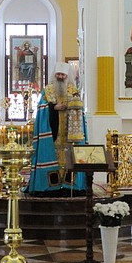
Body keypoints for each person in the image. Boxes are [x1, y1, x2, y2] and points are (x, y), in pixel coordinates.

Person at [26, 64, 88, 196]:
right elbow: (40, 108)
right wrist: (53, 107)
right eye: (58, 74)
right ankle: (50, 187)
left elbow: (80, 110)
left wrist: (72, 105)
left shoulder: (73, 91)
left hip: (69, 134)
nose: (60, 77)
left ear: (67, 76)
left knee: (69, 157)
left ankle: (70, 186)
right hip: (52, 134)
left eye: (63, 75)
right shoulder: (47, 90)